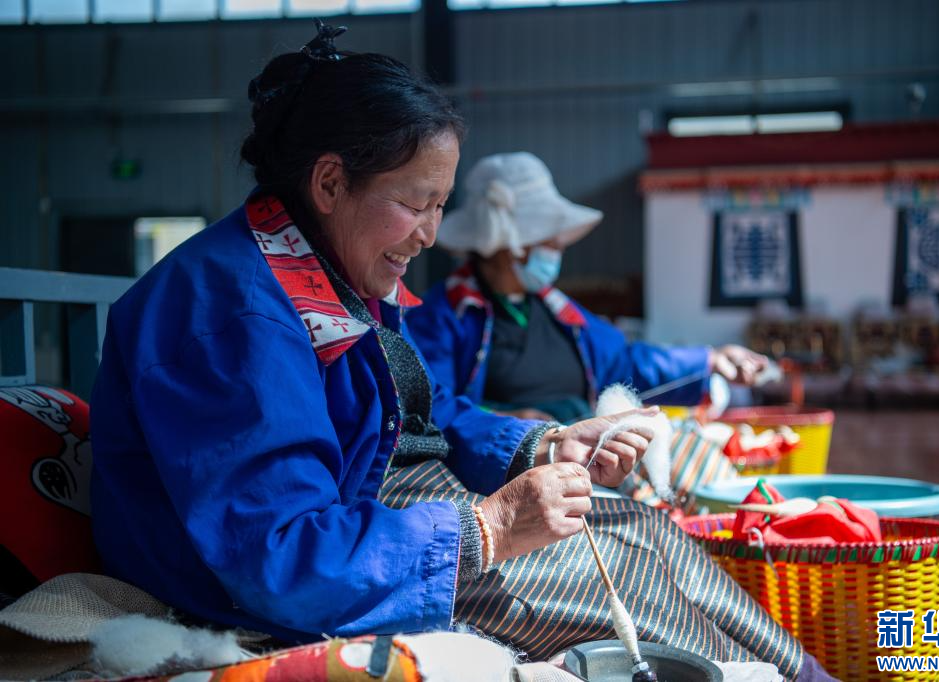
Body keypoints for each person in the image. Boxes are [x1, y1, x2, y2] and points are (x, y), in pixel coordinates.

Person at [89, 23, 829, 680]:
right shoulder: (232, 315)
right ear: (330, 182)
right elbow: (276, 552)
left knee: (645, 531)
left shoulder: (330, 269)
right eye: (415, 204)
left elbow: (423, 410)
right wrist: (490, 528)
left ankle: (806, 675)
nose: (430, 234)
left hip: (369, 509)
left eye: (440, 206)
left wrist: (544, 445)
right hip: (294, 563)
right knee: (606, 577)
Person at [407, 152, 770, 423]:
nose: (558, 247)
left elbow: (622, 360)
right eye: (549, 238)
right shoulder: (442, 318)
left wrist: (710, 360)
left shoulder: (555, 309)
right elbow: (433, 408)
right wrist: (508, 420)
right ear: (510, 245)